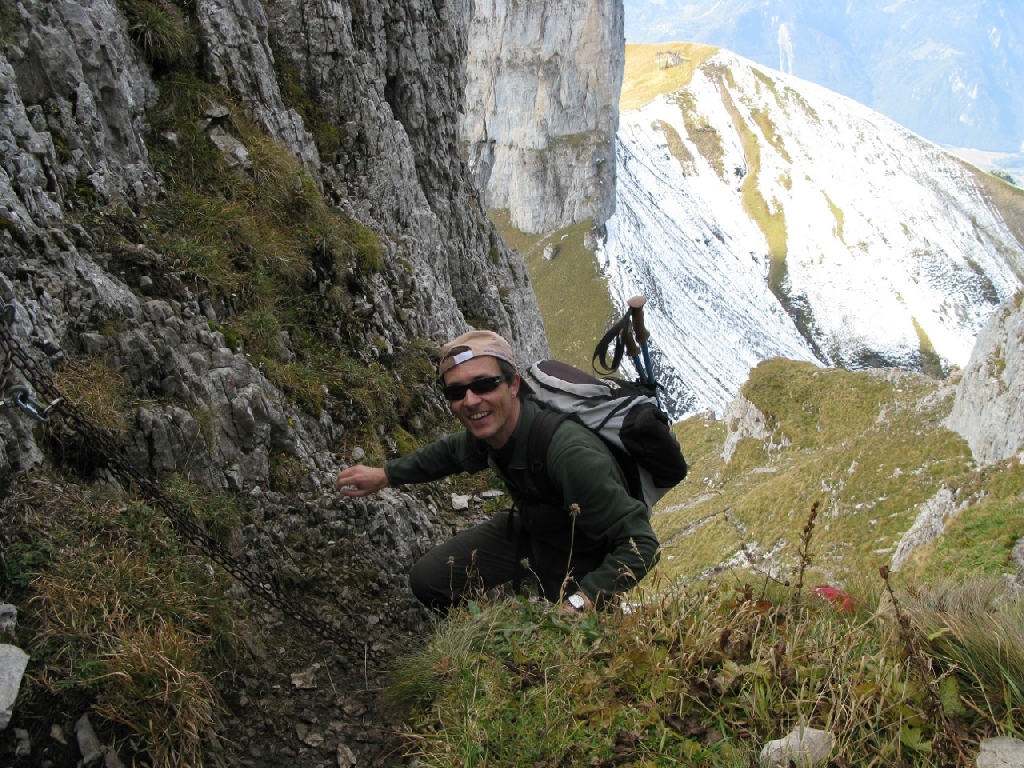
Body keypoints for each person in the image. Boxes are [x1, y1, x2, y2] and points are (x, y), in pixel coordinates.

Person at [334, 330, 660, 614]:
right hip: (530, 530)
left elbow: (641, 544)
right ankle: (489, 633)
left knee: (571, 655)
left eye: (485, 384)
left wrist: (580, 602)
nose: (471, 400)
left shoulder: (570, 455)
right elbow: (447, 454)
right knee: (428, 581)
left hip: (584, 556)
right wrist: (385, 475)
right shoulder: (494, 431)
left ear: (513, 384)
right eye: (456, 392)